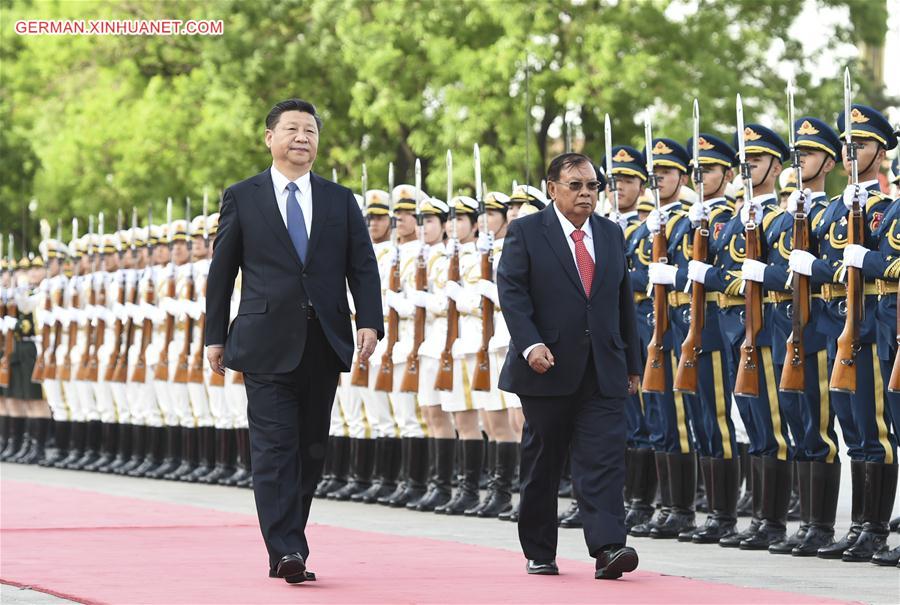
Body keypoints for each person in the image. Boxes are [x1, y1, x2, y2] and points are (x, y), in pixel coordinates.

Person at [205, 98, 383, 584]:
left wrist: (370, 320)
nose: (302, 137)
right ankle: (286, 550)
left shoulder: (339, 199)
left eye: (310, 130)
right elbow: (221, 273)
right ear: (270, 138)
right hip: (264, 342)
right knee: (273, 449)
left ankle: (289, 540)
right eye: (292, 129)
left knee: (310, 449)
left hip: (323, 341)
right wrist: (213, 336)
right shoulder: (243, 196)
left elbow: (362, 266)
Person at [497, 152, 642, 580]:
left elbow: (622, 303)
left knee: (604, 460)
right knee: (544, 462)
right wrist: (530, 344)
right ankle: (540, 549)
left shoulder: (611, 233)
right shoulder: (526, 231)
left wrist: (633, 362)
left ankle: (609, 546)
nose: (585, 194)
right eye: (575, 185)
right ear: (552, 188)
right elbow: (512, 291)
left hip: (603, 367)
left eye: (592, 186)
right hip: (547, 365)